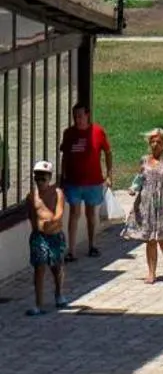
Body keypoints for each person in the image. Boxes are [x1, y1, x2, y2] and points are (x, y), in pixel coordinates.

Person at [124, 128, 163, 283]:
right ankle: (151, 273)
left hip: (162, 204)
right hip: (146, 203)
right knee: (150, 239)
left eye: (158, 142)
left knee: (162, 239)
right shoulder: (144, 160)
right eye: (152, 141)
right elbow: (140, 178)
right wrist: (133, 188)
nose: (155, 144)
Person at [60, 102, 113, 260]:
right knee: (74, 213)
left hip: (93, 181)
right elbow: (65, 156)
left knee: (91, 213)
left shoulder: (98, 131)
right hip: (73, 181)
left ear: (87, 115)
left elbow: (108, 152)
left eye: (80, 116)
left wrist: (109, 174)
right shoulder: (69, 133)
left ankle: (92, 245)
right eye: (75, 117)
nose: (77, 120)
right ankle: (71, 250)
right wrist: (63, 177)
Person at [27, 160, 67, 314]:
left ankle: (59, 294)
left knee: (56, 267)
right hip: (39, 237)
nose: (40, 181)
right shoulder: (31, 196)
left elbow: (59, 212)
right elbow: (31, 216)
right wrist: (37, 230)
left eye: (43, 178)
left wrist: (52, 222)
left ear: (50, 178)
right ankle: (38, 304)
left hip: (55, 235)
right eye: (37, 178)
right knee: (39, 268)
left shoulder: (57, 193)